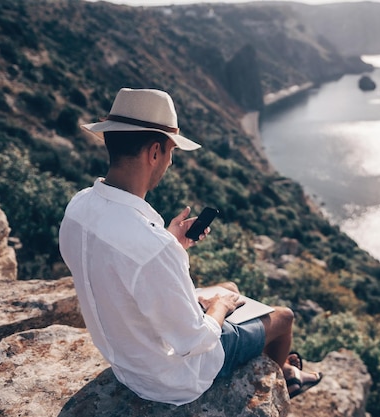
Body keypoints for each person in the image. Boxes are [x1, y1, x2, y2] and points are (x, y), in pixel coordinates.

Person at [59, 88, 321, 405]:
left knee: (230, 287)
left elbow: (125, 270)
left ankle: (270, 356)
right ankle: (284, 375)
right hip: (172, 378)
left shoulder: (79, 208)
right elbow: (194, 339)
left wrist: (171, 243)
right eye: (171, 152)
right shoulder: (153, 247)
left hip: (125, 360)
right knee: (283, 317)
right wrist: (220, 306)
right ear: (155, 152)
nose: (170, 162)